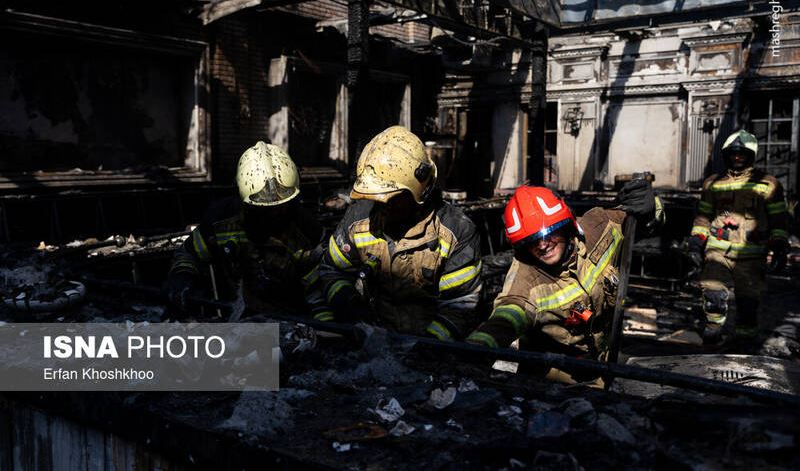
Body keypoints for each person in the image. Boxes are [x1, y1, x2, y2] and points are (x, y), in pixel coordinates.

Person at [466, 180, 662, 382]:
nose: (542, 245)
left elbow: (646, 221)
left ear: (567, 225)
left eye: (548, 234)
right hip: (554, 378)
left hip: (604, 360)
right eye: (531, 240)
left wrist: (648, 207)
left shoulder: (600, 228)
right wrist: (470, 354)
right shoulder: (525, 282)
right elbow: (503, 321)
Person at [318, 126, 483, 340]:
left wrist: (427, 348)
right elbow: (332, 270)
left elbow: (461, 304)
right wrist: (350, 304)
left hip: (435, 350)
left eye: (392, 198)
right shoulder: (358, 220)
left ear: (420, 190)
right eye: (376, 198)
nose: (382, 207)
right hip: (374, 342)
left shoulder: (456, 232)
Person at [163, 142, 327, 320]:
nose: (274, 214)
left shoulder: (306, 230)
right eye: (264, 209)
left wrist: (325, 331)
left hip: (289, 323)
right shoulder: (220, 220)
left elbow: (317, 291)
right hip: (236, 320)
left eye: (281, 206)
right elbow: (190, 255)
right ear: (243, 201)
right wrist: (182, 276)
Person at [687, 129, 790, 344]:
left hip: (752, 256)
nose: (736, 157)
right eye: (733, 153)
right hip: (718, 251)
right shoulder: (712, 184)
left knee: (748, 303)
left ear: (750, 155)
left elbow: (779, 218)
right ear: (726, 155)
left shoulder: (768, 183)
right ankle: (713, 331)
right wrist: (696, 242)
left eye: (742, 154)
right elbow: (705, 215)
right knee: (713, 293)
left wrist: (780, 244)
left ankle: (745, 343)